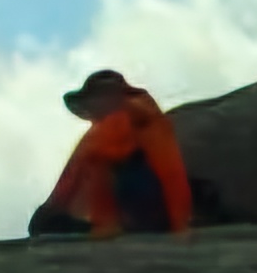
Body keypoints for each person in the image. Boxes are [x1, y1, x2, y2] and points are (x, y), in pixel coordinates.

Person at [26, 68, 196, 239]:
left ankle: (113, 225)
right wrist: (48, 213)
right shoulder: (100, 133)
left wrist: (179, 225)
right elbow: (71, 178)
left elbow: (171, 174)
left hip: (151, 211)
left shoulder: (143, 122)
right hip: (130, 217)